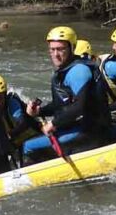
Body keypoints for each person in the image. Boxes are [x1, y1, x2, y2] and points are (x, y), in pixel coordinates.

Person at [23, 26, 111, 162]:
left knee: (28, 146)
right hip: (78, 126)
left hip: (90, 131)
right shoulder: (65, 70)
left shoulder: (79, 71)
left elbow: (80, 106)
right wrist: (40, 111)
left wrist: (54, 123)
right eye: (52, 49)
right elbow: (61, 104)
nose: (56, 54)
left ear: (72, 48)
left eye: (61, 49)